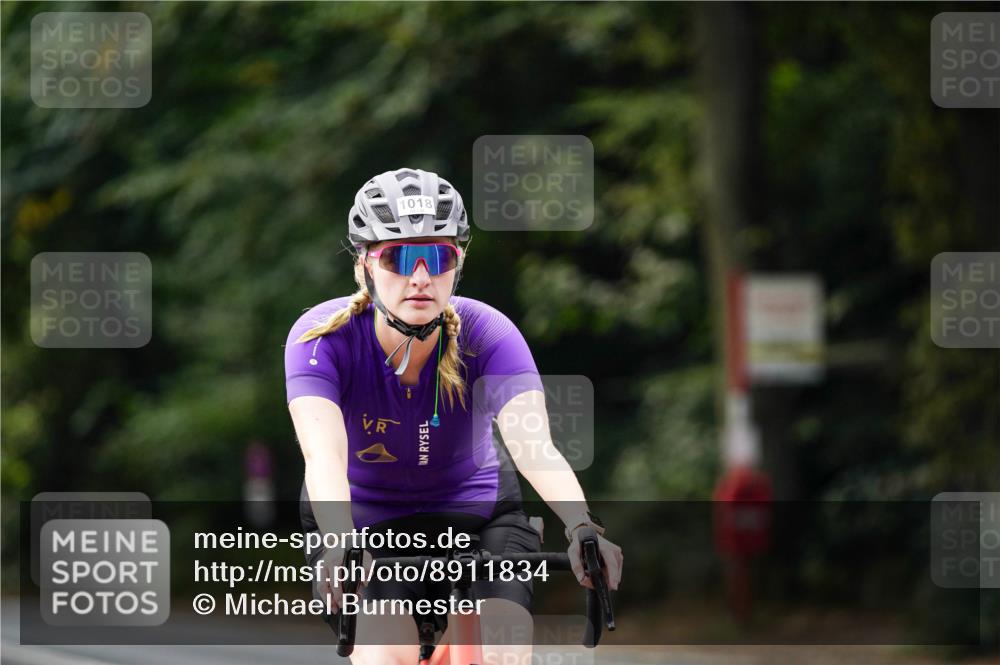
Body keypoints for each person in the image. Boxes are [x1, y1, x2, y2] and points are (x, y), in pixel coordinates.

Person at [285, 167, 622, 665]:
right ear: (364, 265)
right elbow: (324, 456)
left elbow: (534, 447)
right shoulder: (321, 338)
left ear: (458, 263)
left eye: (439, 257)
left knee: (504, 649)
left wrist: (580, 525)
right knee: (385, 656)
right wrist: (339, 541)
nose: (421, 277)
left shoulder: (488, 332)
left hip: (479, 515)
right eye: (399, 257)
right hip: (362, 524)